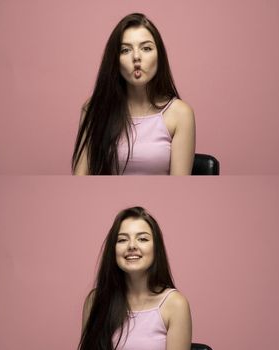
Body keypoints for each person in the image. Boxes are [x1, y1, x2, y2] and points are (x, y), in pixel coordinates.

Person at [72, 13, 195, 175]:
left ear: (160, 56)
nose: (136, 57)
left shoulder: (180, 114)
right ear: (115, 60)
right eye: (125, 50)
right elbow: (81, 181)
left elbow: (179, 189)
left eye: (146, 48)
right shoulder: (93, 109)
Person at [79, 207, 191, 350]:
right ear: (113, 250)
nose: (132, 246)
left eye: (142, 239)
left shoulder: (175, 305)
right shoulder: (95, 301)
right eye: (122, 240)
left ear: (156, 249)